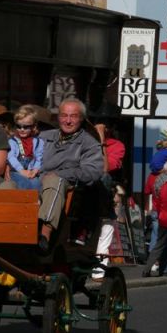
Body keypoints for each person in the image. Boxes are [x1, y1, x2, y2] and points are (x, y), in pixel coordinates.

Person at [37, 98, 104, 251]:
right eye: (64, 115)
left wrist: (60, 174)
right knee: (7, 183)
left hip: (65, 191)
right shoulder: (44, 137)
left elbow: (92, 172)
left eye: (73, 116)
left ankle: (44, 234)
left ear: (81, 119)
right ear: (58, 117)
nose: (67, 121)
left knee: (55, 181)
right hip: (35, 183)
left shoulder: (89, 144)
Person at [92, 121, 126, 281]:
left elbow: (108, 166)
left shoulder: (117, 145)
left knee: (106, 228)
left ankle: (99, 269)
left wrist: (101, 142)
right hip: (87, 190)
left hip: (104, 194)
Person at [7, 104, 44, 191]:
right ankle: (24, 203)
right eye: (19, 126)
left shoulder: (38, 142)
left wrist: (35, 169)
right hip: (15, 171)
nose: (22, 129)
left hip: (30, 171)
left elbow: (39, 158)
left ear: (34, 127)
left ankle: (36, 202)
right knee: (23, 182)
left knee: (37, 183)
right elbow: (11, 157)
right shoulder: (13, 141)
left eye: (26, 127)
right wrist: (21, 171)